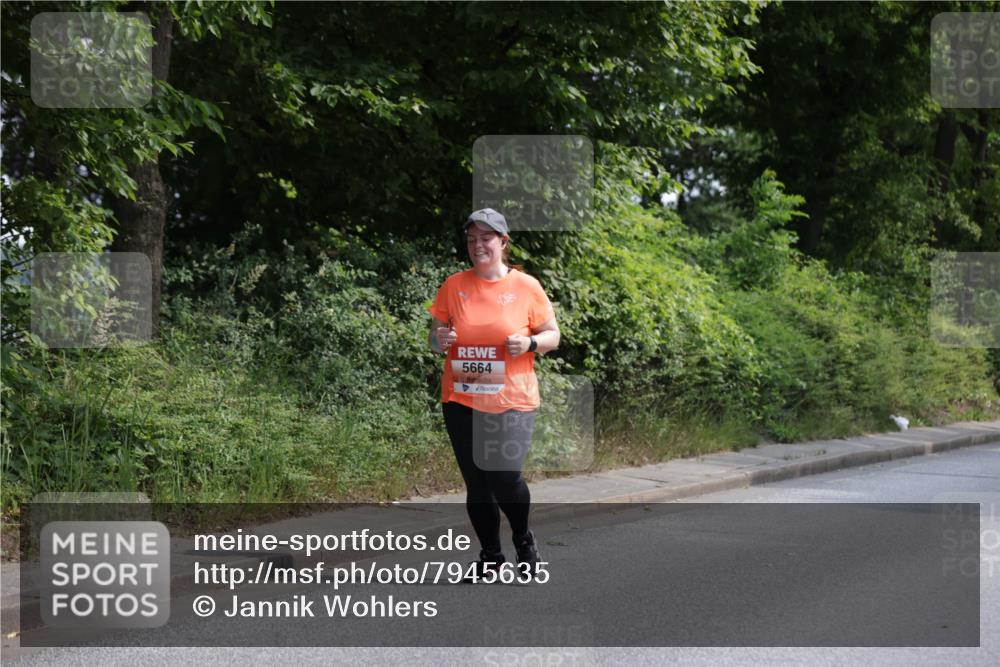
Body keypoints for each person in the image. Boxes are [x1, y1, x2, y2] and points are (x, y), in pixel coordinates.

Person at [428, 208, 560, 581]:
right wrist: (439, 339)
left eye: (485, 238)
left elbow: (554, 335)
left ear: (503, 242)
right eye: (471, 239)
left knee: (504, 475)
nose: (477, 245)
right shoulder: (454, 285)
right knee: (477, 483)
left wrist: (531, 342)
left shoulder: (526, 286)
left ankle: (523, 539)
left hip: (511, 400)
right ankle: (490, 557)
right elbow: (434, 338)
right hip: (461, 398)